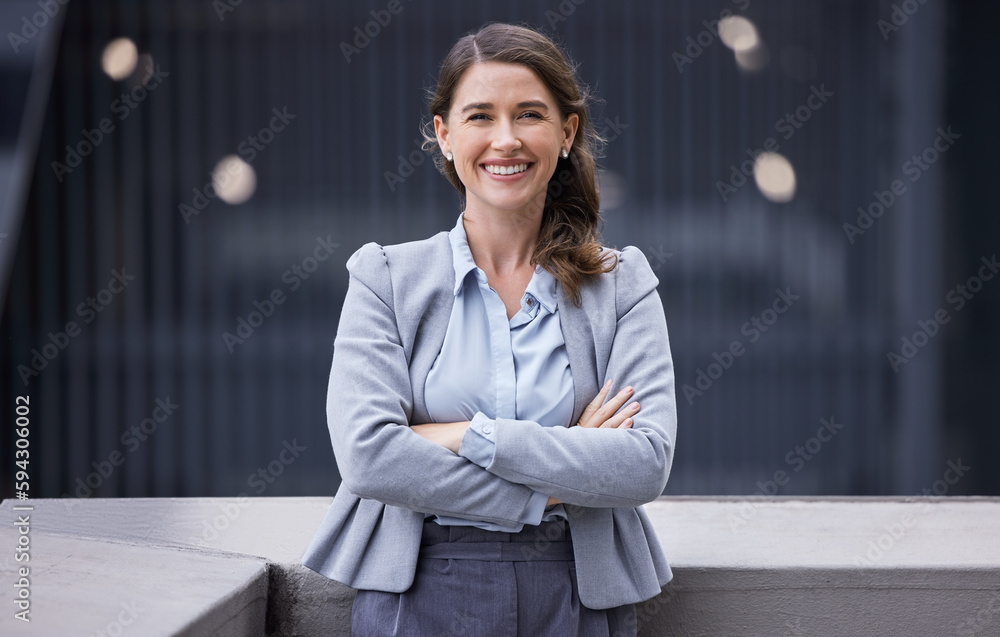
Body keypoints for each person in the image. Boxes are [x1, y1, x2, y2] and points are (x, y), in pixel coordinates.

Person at [301, 21, 677, 636]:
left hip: (577, 593)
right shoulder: (385, 278)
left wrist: (462, 435)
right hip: (418, 591)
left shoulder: (623, 284)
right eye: (480, 117)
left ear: (567, 132)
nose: (506, 139)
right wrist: (555, 480)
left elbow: (641, 464)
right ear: (445, 136)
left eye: (529, 114)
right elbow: (369, 458)